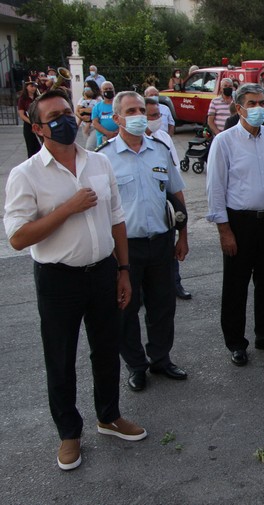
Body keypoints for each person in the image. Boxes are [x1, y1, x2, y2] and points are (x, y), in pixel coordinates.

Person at [3, 89, 146, 471]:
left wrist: (123, 270)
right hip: (58, 280)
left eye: (68, 112)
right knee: (61, 357)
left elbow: (117, 219)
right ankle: (69, 433)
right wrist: (68, 208)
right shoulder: (26, 175)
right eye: (55, 117)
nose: (66, 119)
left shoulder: (98, 162)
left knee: (106, 348)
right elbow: (17, 237)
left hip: (102, 272)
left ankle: (109, 415)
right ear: (37, 128)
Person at [97, 91, 189, 392]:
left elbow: (175, 194)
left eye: (143, 110)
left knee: (162, 305)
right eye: (132, 111)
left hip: (161, 240)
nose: (139, 116)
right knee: (126, 308)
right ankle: (136, 365)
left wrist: (183, 235)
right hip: (125, 248)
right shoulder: (104, 157)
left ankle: (160, 358)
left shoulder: (160, 149)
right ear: (117, 118)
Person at [206, 83, 264, 366]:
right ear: (239, 107)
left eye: (261, 102)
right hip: (239, 223)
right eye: (252, 103)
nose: (258, 108)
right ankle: (236, 342)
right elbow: (215, 188)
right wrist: (224, 230)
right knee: (236, 285)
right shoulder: (224, 141)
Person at [144, 97, 190, 301]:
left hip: (164, 215)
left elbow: (175, 184)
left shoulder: (163, 139)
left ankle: (175, 284)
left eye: (158, 115)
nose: (156, 120)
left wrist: (183, 232)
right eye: (151, 116)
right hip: (134, 229)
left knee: (169, 258)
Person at [17, 80, 41, 158]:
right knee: (31, 147)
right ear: (26, 87)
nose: (33, 88)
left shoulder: (38, 97)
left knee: (40, 147)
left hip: (39, 124)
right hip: (29, 125)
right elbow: (21, 115)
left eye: (35, 86)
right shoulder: (22, 99)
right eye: (31, 86)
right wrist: (32, 122)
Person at [91, 81, 118, 147]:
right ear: (101, 92)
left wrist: (117, 132)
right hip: (103, 139)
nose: (108, 90)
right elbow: (95, 123)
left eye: (110, 89)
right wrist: (107, 133)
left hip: (118, 137)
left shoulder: (119, 105)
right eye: (106, 89)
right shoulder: (97, 107)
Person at [75, 85, 100, 152]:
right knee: (88, 143)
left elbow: (95, 110)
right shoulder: (84, 100)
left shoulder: (97, 100)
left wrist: (84, 110)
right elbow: (78, 111)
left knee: (89, 146)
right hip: (85, 122)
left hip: (93, 125)